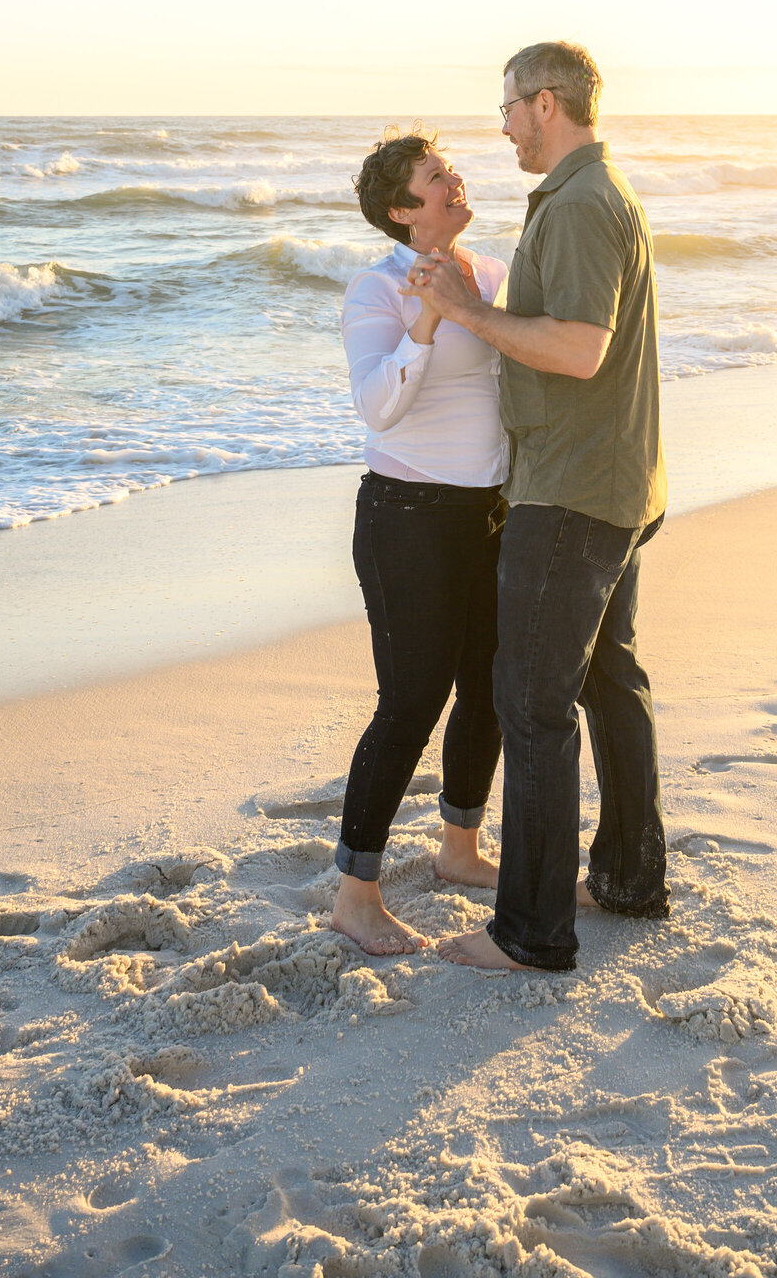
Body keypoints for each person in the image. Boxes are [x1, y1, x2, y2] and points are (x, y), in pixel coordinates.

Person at [405, 40, 668, 973]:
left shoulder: (586, 204)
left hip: (572, 490)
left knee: (531, 701)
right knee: (606, 681)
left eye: (510, 107)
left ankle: (531, 930)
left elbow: (582, 349)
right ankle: (631, 880)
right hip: (613, 478)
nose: (505, 125)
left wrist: (470, 314)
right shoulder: (591, 195)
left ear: (546, 102)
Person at [331, 130, 510, 956]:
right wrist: (432, 316)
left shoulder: (493, 270)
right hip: (407, 517)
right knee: (409, 703)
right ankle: (355, 895)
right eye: (436, 177)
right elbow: (377, 406)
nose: (453, 179)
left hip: (494, 512)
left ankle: (459, 850)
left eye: (449, 169)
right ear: (404, 211)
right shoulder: (376, 291)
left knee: (487, 687)